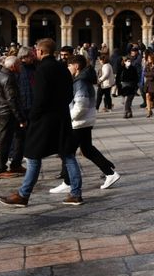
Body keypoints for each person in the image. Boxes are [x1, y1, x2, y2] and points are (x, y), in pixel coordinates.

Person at [0, 39, 84, 207]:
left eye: (36, 50)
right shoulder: (63, 68)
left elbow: (39, 99)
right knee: (67, 155)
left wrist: (31, 118)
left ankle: (23, 195)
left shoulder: (42, 70)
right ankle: (76, 194)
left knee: (32, 156)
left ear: (41, 51)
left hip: (44, 120)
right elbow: (69, 96)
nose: (35, 52)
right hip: (62, 117)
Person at [49, 55, 120, 193]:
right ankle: (110, 173)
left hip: (79, 122)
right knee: (87, 149)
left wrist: (69, 118)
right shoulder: (84, 79)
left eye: (69, 66)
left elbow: (81, 105)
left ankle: (68, 182)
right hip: (86, 120)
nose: (68, 68)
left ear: (76, 66)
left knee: (67, 152)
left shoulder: (80, 82)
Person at [0, 56, 26, 178]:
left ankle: (16, 164)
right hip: (8, 113)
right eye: (19, 65)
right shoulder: (8, 78)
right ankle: (0, 169)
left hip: (3, 112)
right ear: (13, 66)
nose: (21, 67)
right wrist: (21, 119)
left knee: (19, 137)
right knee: (5, 141)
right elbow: (12, 100)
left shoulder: (1, 74)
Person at [116, 48, 140, 119]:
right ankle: (130, 112)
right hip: (123, 87)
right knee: (125, 102)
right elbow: (118, 78)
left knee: (127, 101)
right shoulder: (121, 69)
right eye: (127, 61)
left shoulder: (133, 69)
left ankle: (125, 112)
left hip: (131, 86)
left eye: (129, 61)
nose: (128, 62)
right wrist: (118, 86)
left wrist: (135, 87)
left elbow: (136, 78)